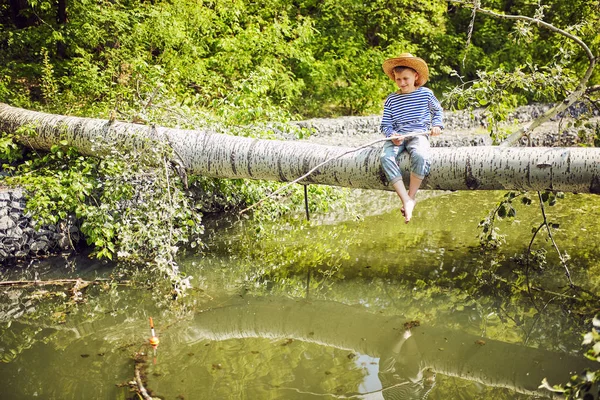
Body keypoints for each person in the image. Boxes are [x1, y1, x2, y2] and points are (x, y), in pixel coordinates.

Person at [379, 53, 444, 223]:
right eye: (398, 79)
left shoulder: (425, 94)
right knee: (386, 157)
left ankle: (412, 196)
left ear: (415, 76)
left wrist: (436, 126)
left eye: (405, 79)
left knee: (421, 156)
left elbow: (437, 111)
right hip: (398, 136)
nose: (402, 83)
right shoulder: (392, 100)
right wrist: (392, 135)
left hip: (418, 135)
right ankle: (405, 199)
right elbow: (385, 125)